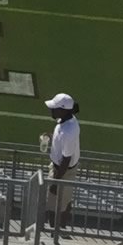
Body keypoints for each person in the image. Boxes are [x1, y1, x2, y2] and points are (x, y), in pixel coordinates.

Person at [42, 92, 81, 236]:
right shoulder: (66, 120)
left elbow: (66, 160)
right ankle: (58, 231)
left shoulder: (68, 131)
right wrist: (51, 137)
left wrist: (55, 182)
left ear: (63, 110)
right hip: (61, 168)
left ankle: (56, 233)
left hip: (63, 171)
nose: (51, 110)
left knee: (56, 205)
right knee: (64, 202)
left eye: (55, 108)